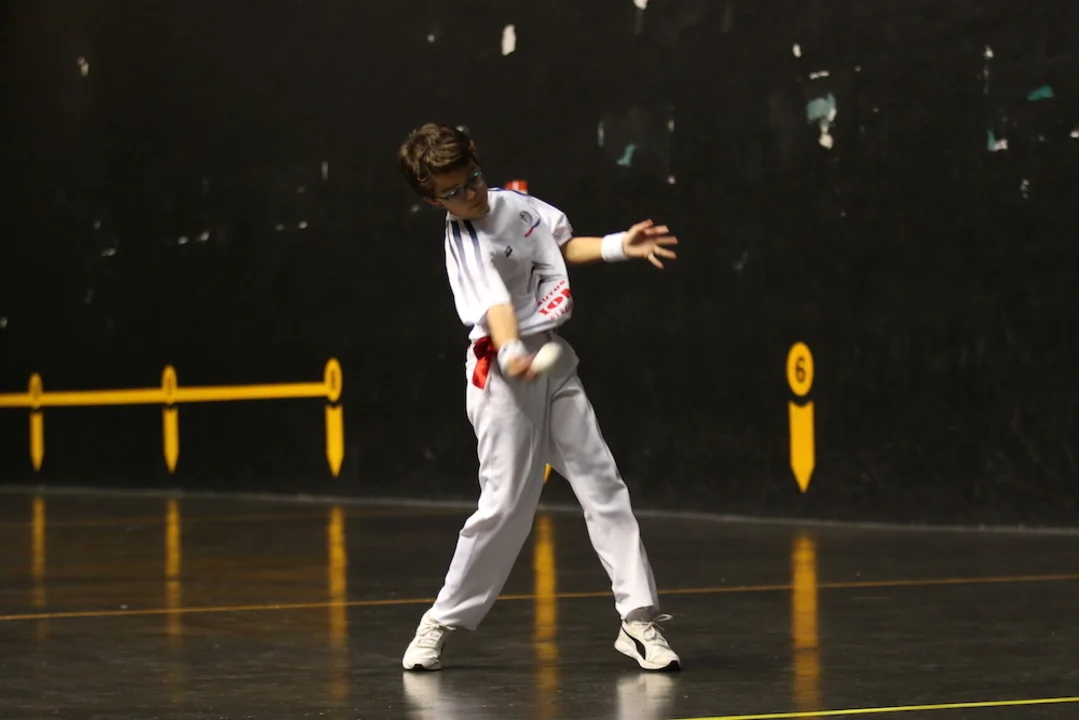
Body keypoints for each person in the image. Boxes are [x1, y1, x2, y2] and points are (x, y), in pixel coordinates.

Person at [396, 122, 681, 672]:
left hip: (551, 360)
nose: (471, 194)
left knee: (603, 484)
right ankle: (441, 620)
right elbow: (497, 307)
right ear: (434, 200)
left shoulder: (517, 205)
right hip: (504, 376)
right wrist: (512, 356)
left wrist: (621, 246)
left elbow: (561, 246)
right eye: (454, 192)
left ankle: (638, 619)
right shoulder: (465, 241)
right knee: (505, 508)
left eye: (473, 179)